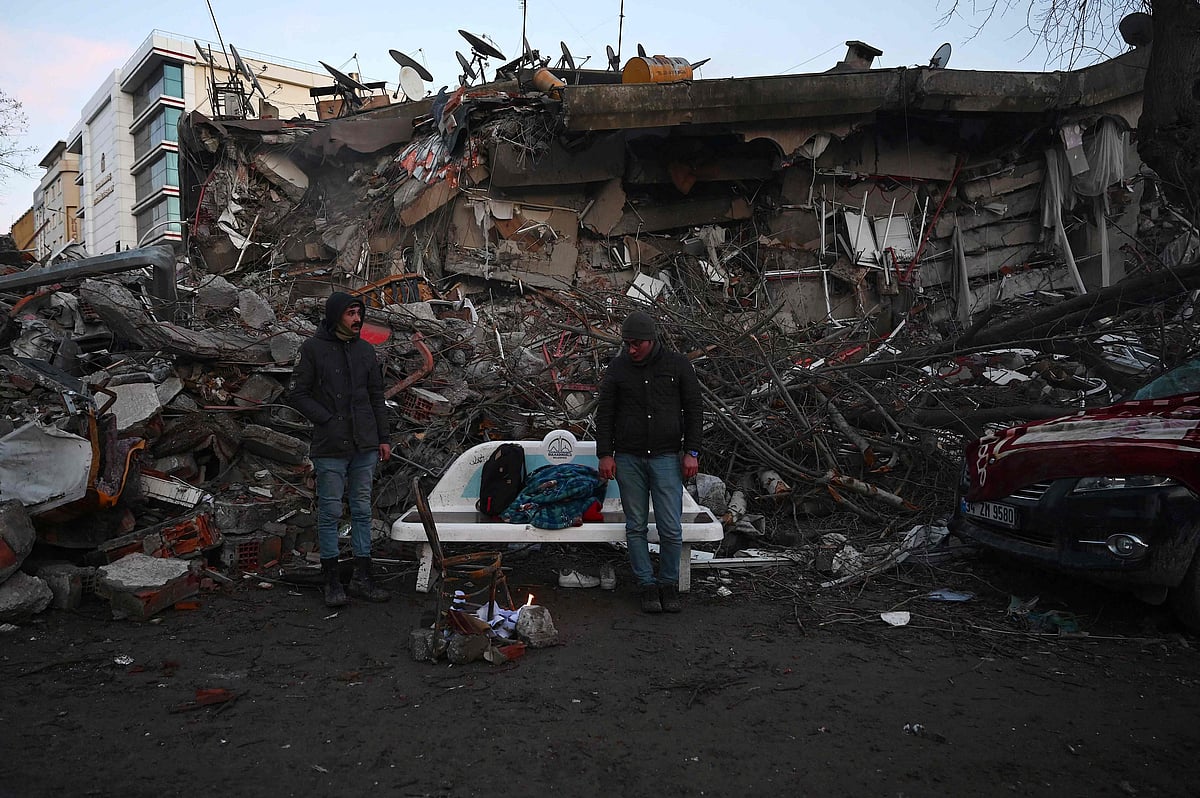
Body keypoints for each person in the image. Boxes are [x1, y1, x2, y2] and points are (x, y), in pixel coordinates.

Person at [288, 291, 393, 607]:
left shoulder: (365, 351)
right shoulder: (313, 349)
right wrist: (327, 419)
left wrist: (383, 438)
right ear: (336, 316)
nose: (357, 319)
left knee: (361, 510)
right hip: (330, 446)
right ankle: (332, 582)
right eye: (350, 314)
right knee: (330, 512)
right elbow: (297, 393)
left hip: (365, 444)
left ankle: (363, 578)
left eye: (359, 313)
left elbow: (376, 397)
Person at [595, 310, 702, 614]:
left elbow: (694, 409)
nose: (631, 349)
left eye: (636, 344)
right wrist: (605, 454)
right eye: (627, 343)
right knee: (636, 526)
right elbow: (605, 413)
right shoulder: (618, 368)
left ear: (651, 340)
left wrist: (692, 451)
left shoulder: (677, 365)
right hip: (628, 459)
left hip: (667, 458)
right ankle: (646, 585)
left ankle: (668, 583)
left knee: (670, 528)